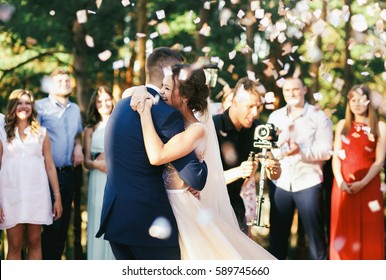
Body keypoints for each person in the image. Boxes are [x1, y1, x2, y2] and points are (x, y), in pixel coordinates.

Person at [132, 63, 276, 259]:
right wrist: (141, 89)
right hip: (166, 205)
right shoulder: (175, 122)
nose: (161, 93)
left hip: (194, 206)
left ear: (184, 96)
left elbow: (158, 156)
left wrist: (144, 111)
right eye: (249, 106)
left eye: (166, 88)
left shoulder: (198, 129)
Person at [96, 47, 208, 260]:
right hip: (149, 224)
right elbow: (195, 177)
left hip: (116, 219)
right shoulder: (167, 115)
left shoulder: (121, 104)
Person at [267, 76, 333, 260]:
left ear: (304, 89)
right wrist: (281, 153)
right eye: (287, 90)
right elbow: (268, 148)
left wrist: (301, 150)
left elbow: (327, 151)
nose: (292, 94)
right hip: (280, 183)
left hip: (308, 183)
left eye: (295, 89)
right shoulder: (275, 116)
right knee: (277, 241)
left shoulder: (319, 116)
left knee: (316, 241)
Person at [213, 77, 281, 233]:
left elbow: (274, 172)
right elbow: (203, 180)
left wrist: (275, 168)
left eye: (258, 107)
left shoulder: (256, 128)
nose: (255, 113)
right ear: (235, 102)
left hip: (236, 205)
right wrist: (239, 171)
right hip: (210, 206)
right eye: (250, 106)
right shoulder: (213, 127)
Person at [0, 89, 62, 259]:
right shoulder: (2, 134)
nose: (24, 106)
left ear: (32, 107)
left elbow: (50, 166)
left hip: (37, 194)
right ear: (13, 106)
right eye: (19, 103)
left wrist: (57, 197)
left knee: (35, 242)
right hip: (10, 195)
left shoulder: (41, 133)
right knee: (14, 244)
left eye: (27, 102)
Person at [330, 85, 386, 259]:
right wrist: (340, 182)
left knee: (370, 229)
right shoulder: (342, 125)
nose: (357, 103)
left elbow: (379, 160)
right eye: (353, 100)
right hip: (343, 185)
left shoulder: (379, 126)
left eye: (361, 99)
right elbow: (336, 158)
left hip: (368, 184)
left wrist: (363, 183)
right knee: (343, 230)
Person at [36, 69, 84, 260]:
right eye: (60, 80)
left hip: (68, 175)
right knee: (44, 231)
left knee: (61, 231)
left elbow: (77, 136)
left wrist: (78, 146)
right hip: (44, 176)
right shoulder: (40, 107)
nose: (65, 83)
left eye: (67, 80)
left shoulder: (75, 110)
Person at [83, 86, 115, 260]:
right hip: (98, 177)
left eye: (107, 99)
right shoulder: (90, 129)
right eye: (99, 101)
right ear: (95, 105)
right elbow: (86, 162)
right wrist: (98, 165)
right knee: (98, 217)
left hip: (115, 176)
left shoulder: (119, 122)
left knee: (113, 217)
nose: (104, 104)